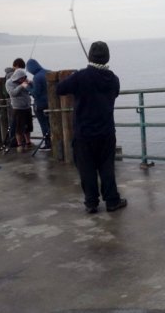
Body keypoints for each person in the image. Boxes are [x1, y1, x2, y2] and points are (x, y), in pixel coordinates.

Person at [56, 41, 127, 214]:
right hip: (106, 132)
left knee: (86, 169)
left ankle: (91, 203)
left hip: (84, 133)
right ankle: (112, 201)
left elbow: (60, 89)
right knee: (107, 167)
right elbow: (115, 93)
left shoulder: (80, 77)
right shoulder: (113, 79)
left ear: (90, 56)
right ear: (107, 57)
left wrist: (74, 76)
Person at [5, 68, 33, 152]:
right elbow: (13, 93)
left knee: (28, 126)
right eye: (21, 78)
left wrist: (30, 83)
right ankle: (19, 144)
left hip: (27, 106)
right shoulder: (9, 83)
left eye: (24, 78)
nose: (23, 80)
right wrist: (21, 86)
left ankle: (28, 142)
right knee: (19, 128)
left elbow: (30, 90)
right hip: (18, 108)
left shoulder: (24, 81)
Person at [26, 58, 51, 150]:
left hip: (40, 105)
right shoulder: (48, 72)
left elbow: (36, 94)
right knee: (51, 124)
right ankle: (54, 141)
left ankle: (48, 144)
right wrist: (32, 84)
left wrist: (27, 87)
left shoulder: (36, 77)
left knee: (44, 125)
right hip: (51, 103)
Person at [4, 58, 26, 148]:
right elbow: (13, 91)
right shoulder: (11, 76)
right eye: (20, 68)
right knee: (15, 123)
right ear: (16, 66)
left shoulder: (10, 74)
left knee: (16, 122)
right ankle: (13, 141)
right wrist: (22, 85)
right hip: (14, 103)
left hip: (16, 102)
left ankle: (16, 140)